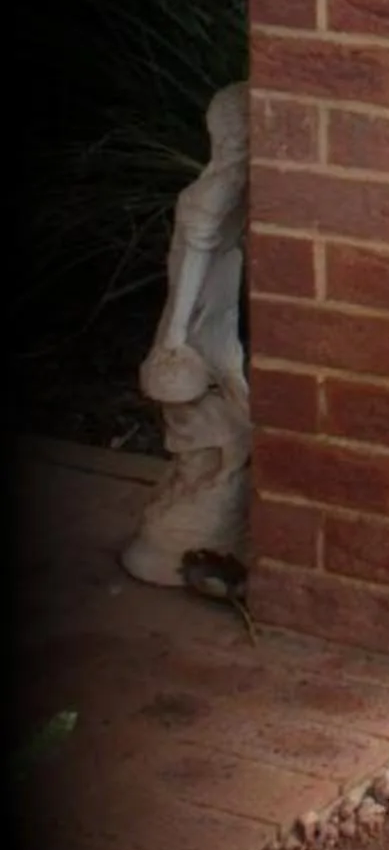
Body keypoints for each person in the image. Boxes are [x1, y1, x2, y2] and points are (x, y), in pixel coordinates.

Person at [121, 82, 253, 590]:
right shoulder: (222, 185)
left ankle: (210, 510)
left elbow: (201, 257)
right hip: (196, 316)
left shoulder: (219, 191)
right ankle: (200, 506)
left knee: (216, 407)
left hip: (202, 316)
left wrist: (176, 337)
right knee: (203, 410)